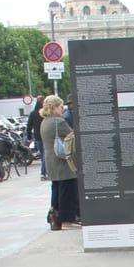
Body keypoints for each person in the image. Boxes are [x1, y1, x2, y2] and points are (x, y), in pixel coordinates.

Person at [39, 95, 81, 230]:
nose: (62, 110)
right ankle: (67, 217)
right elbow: (72, 136)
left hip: (50, 161)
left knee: (56, 189)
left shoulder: (45, 122)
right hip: (62, 161)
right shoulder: (59, 122)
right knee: (67, 189)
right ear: (54, 107)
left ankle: (55, 215)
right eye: (60, 107)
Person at [26, 96, 47, 180]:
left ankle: (43, 172)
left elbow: (29, 125)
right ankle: (44, 172)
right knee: (45, 155)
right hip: (45, 136)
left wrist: (29, 136)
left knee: (43, 155)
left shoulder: (33, 113)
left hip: (38, 137)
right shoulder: (45, 112)